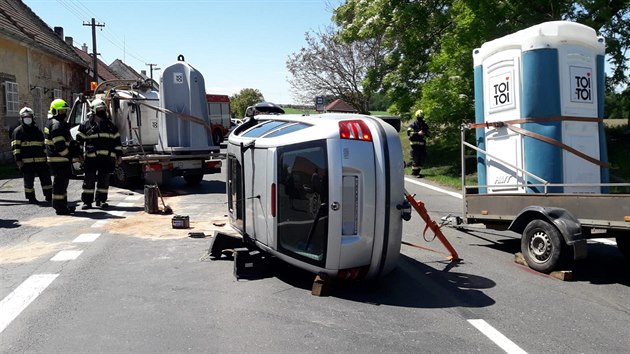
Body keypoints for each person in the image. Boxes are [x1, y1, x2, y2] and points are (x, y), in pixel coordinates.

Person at [76, 98, 122, 209]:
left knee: (104, 181)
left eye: (103, 108)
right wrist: (79, 155)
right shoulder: (85, 125)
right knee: (89, 181)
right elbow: (79, 142)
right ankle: (87, 202)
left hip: (106, 159)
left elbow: (117, 141)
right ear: (93, 110)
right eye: (99, 109)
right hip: (91, 159)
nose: (102, 111)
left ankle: (101, 201)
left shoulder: (110, 125)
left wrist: (119, 155)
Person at [44, 98, 80, 215]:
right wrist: (69, 156)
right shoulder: (56, 125)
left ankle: (63, 205)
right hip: (58, 160)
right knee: (60, 184)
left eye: (65, 111)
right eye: (61, 111)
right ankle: (59, 207)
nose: (64, 113)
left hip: (60, 160)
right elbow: (60, 146)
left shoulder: (57, 123)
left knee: (63, 184)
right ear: (54, 111)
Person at [11, 107, 52, 204]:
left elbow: (44, 145)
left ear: (33, 117)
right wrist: (18, 160)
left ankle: (49, 196)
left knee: (46, 179)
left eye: (29, 116)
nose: (27, 118)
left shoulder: (37, 131)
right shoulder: (18, 131)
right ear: (21, 118)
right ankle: (31, 198)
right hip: (26, 162)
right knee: (29, 182)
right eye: (25, 117)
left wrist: (47, 158)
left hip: (41, 161)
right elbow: (15, 147)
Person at [407, 109, 430, 177]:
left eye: (421, 117)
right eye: (419, 117)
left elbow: (428, 132)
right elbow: (409, 133)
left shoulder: (424, 124)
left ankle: (418, 172)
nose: (421, 119)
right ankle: (414, 173)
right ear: (417, 117)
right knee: (416, 158)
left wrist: (426, 133)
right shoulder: (413, 124)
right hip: (414, 145)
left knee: (422, 158)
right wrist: (417, 133)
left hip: (422, 145)